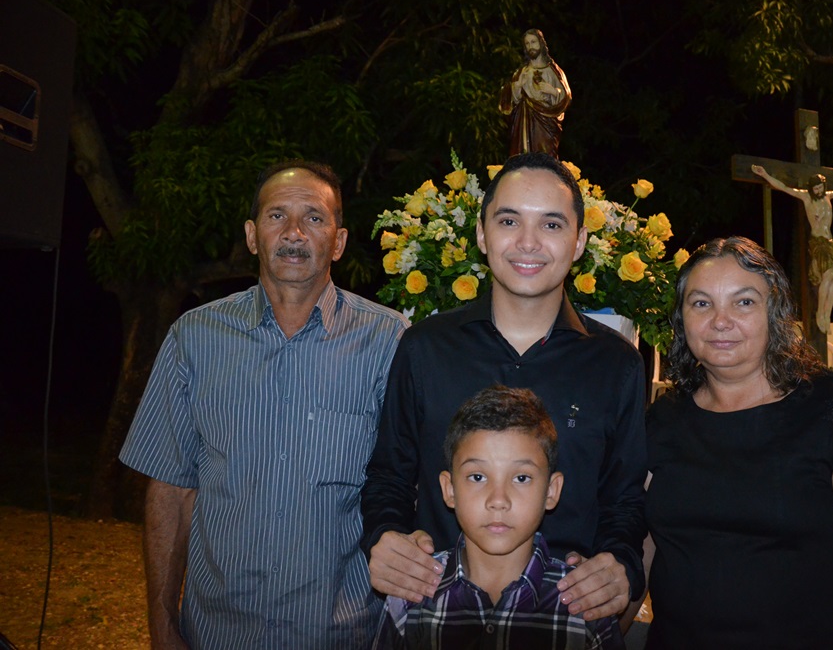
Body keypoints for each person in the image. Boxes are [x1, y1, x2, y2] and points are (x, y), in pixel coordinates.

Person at [119, 160, 408, 649]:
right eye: (277, 216)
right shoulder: (195, 337)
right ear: (253, 236)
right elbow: (170, 489)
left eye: (313, 217)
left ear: (338, 241)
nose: (294, 232)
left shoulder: (389, 341)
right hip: (218, 634)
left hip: (340, 635)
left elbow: (405, 484)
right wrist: (163, 626)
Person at [361, 152, 647, 629]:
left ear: (579, 241)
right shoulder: (425, 348)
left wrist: (621, 564)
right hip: (438, 614)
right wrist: (385, 535)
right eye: (509, 221)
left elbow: (625, 500)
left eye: (551, 225)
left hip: (564, 618)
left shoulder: (616, 364)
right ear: (481, 234)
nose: (528, 242)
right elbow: (389, 475)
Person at [644, 236, 833, 649]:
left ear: (776, 313)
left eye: (744, 302)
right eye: (701, 303)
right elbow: (642, 552)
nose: (720, 321)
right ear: (681, 318)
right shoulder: (662, 420)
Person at [372, 385, 625, 649]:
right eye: (477, 477)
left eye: (521, 478)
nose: (498, 500)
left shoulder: (586, 601)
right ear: (449, 490)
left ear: (551, 491)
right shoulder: (409, 594)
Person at [750, 164, 833, 333]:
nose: (818, 191)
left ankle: (827, 313)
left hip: (829, 241)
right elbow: (784, 187)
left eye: (820, 187)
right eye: (815, 188)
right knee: (828, 274)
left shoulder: (829, 196)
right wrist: (765, 175)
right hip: (818, 242)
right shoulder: (806, 197)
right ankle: (820, 312)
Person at [499, 28, 572, 158]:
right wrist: (517, 85)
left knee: (546, 158)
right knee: (524, 158)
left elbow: (566, 96)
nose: (530, 46)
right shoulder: (522, 72)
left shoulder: (553, 71)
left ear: (541, 43)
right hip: (524, 122)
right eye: (527, 44)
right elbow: (510, 101)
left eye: (533, 42)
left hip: (546, 124)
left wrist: (553, 91)